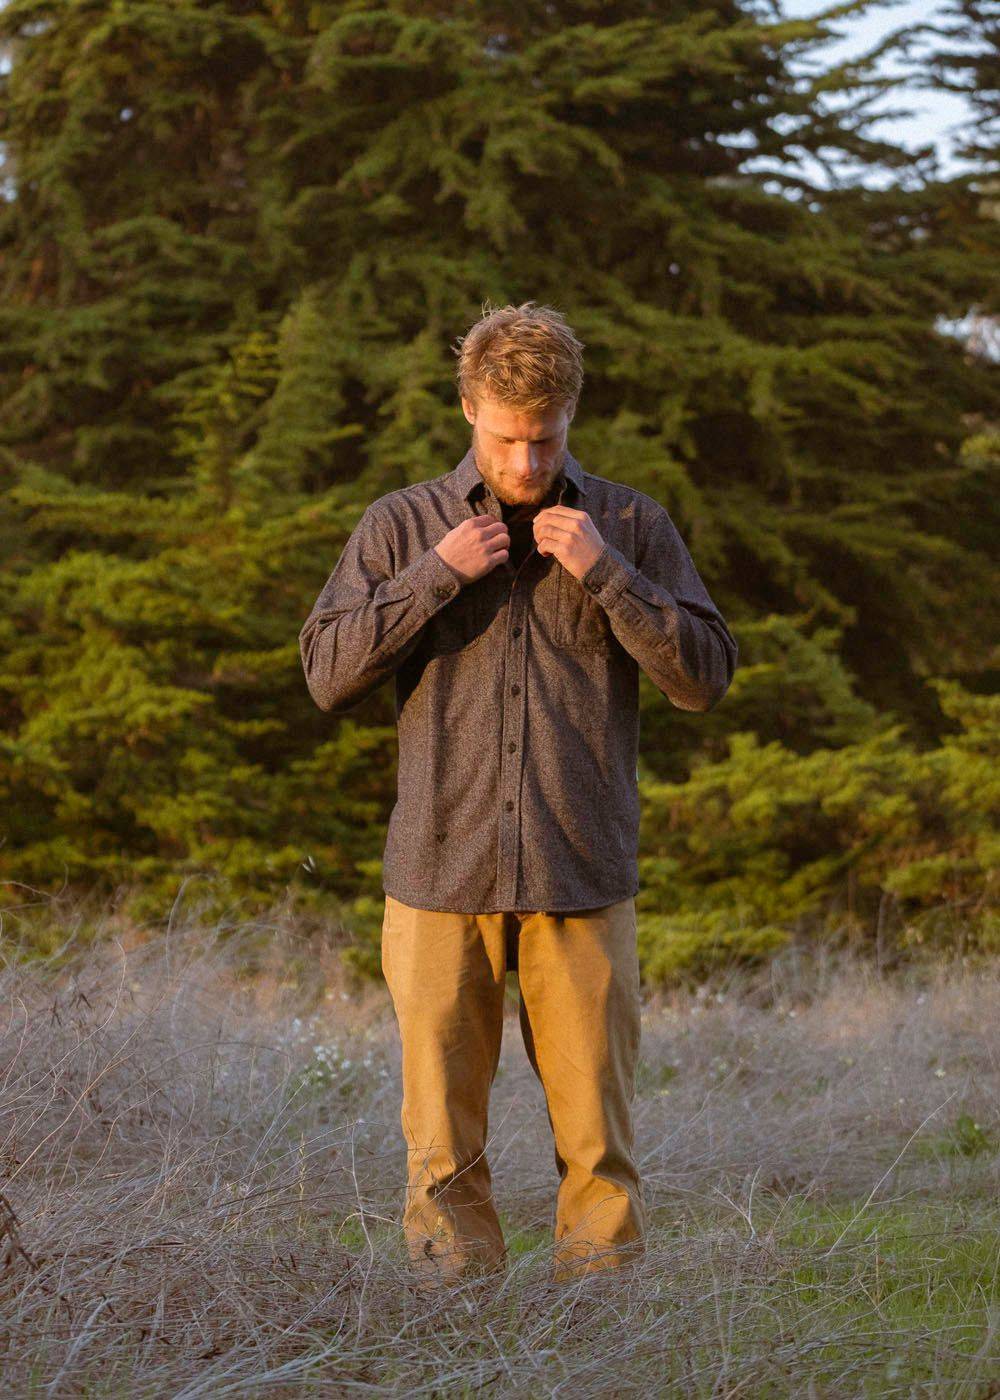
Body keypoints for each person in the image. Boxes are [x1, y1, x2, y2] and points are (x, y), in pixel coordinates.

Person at [299, 301, 739, 1288]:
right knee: (440, 1150)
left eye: (545, 438)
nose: (528, 462)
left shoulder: (630, 524)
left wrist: (607, 574)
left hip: (581, 879)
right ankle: (454, 1331)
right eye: (506, 439)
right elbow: (327, 675)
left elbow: (704, 677)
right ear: (468, 409)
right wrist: (433, 578)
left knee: (599, 1150)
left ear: (572, 413)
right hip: (437, 878)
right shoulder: (400, 525)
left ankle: (602, 1334)